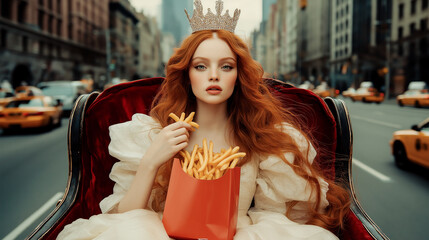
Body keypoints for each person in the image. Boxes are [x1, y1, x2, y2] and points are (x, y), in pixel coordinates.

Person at [58, 0, 350, 239]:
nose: (213, 75)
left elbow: (281, 216)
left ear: (239, 76)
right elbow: (125, 218)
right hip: (162, 232)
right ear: (187, 74)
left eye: (226, 66)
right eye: (201, 66)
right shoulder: (152, 133)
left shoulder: (262, 137)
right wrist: (151, 161)